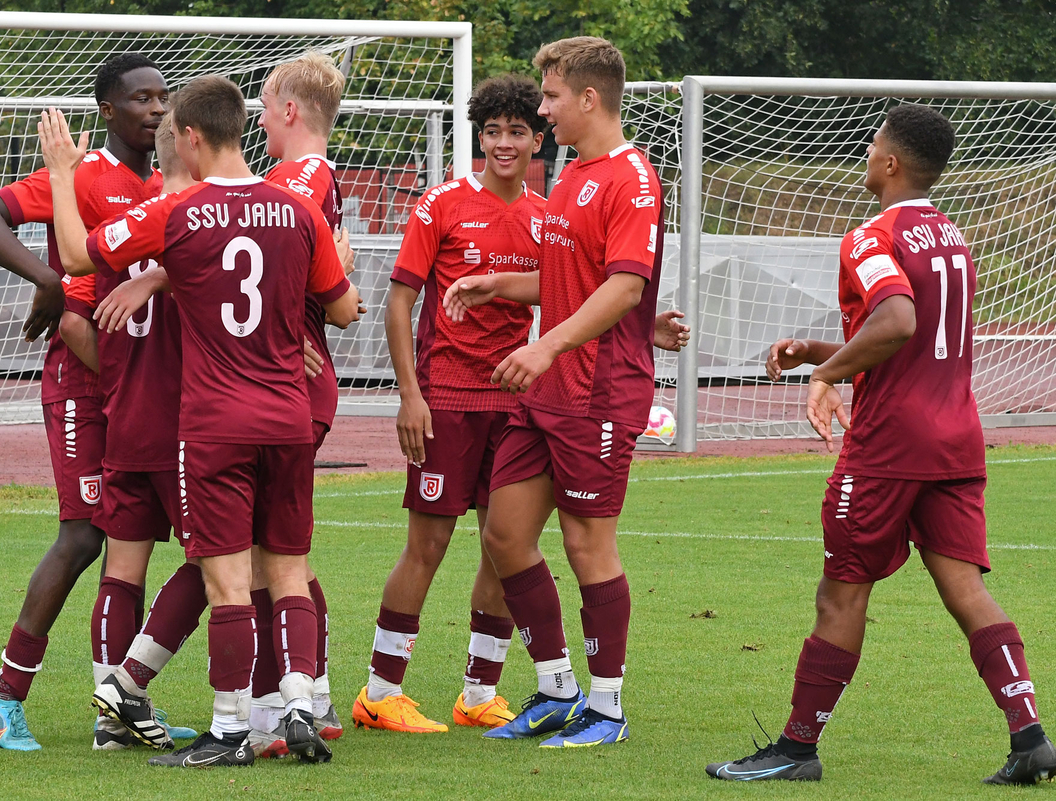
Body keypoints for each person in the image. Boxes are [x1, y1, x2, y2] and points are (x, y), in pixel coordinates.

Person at [706, 103, 1055, 785]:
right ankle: (1031, 735)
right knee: (964, 588)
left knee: (841, 593)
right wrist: (818, 351)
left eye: (872, 144)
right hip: (956, 435)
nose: (866, 153)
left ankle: (797, 748)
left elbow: (897, 319)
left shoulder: (872, 235)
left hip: (890, 444)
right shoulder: (949, 234)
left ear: (891, 161)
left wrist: (829, 375)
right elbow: (913, 341)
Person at [49, 75, 359, 768]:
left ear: (188, 137)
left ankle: (228, 728)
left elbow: (77, 255)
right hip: (287, 417)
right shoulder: (298, 209)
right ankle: (302, 706)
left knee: (225, 582)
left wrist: (64, 177)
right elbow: (341, 309)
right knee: (288, 571)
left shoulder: (181, 213)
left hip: (216, 422)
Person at [442, 37, 689, 749]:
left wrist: (548, 341)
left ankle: (607, 708)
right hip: (549, 387)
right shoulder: (574, 173)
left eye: (550, 98)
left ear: (588, 97)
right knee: (505, 533)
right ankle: (556, 688)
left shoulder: (631, 178)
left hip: (598, 390)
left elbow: (624, 284)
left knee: (588, 545)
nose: (542, 110)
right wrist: (499, 284)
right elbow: (570, 276)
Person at [0, 52, 169, 752]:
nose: (156, 110)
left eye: (163, 98)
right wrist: (48, 279)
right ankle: (3, 694)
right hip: (87, 385)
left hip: (140, 385)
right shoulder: (77, 176)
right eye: (141, 99)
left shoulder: (174, 182)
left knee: (130, 542)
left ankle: (117, 707)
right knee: (83, 534)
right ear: (107, 110)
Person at [351, 74, 547, 735]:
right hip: (447, 403)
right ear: (479, 137)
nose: (503, 142)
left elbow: (577, 294)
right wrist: (411, 394)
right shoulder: (441, 205)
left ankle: (478, 693)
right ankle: (380, 691)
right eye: (492, 131)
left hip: (514, 407)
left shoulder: (548, 217)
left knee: (505, 546)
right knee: (427, 546)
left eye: (516, 130)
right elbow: (401, 300)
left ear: (537, 138)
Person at [41, 112, 203, 751]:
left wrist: (61, 177)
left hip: (125, 420)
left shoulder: (118, 230)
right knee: (222, 559)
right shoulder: (200, 220)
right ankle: (137, 689)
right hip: (185, 423)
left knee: (124, 567)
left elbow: (75, 306)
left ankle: (111, 723)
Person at [249, 50, 350, 754]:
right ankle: (311, 691)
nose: (258, 117)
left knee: (265, 557)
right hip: (290, 378)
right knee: (286, 554)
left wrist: (288, 331)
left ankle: (271, 705)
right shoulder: (294, 177)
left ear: (289, 109)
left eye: (263, 104)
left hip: (287, 384)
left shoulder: (300, 176)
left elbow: (267, 262)